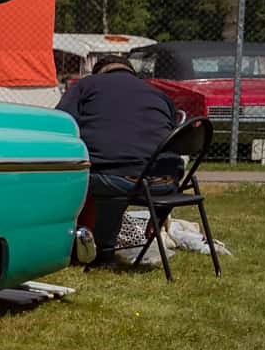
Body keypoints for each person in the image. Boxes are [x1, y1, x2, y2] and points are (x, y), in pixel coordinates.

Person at [57, 55, 179, 264]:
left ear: (100, 72)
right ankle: (149, 226)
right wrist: (159, 213)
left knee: (80, 173)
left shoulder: (87, 85)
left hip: (114, 179)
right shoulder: (159, 94)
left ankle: (91, 247)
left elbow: (61, 123)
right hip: (164, 183)